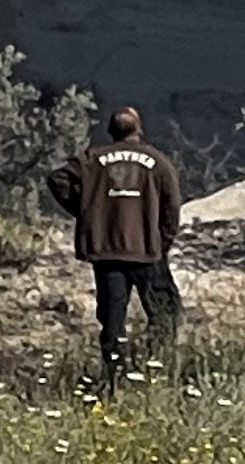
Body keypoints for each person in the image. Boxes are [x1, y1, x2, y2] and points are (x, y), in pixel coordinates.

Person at [46, 103, 182, 375]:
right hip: (146, 252)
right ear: (139, 130)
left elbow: (57, 178)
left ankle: (114, 376)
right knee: (165, 312)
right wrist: (162, 242)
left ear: (110, 131)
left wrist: (86, 211)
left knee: (112, 319)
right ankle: (158, 368)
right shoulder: (158, 162)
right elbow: (172, 207)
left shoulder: (93, 158)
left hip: (107, 252)